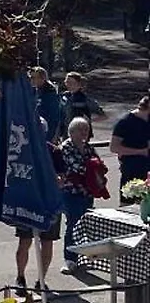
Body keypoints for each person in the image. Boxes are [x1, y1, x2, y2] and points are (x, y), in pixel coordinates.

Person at [13, 135, 68, 288]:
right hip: (27, 202)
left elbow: (62, 178)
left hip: (49, 203)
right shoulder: (22, 150)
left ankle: (41, 279)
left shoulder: (53, 151)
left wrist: (56, 180)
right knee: (25, 240)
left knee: (47, 241)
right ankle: (20, 277)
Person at [59, 116, 106, 274]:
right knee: (73, 224)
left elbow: (99, 165)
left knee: (85, 224)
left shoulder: (89, 148)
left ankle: (83, 258)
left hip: (87, 192)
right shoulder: (66, 147)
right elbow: (78, 167)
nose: (84, 133)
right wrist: (93, 169)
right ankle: (70, 259)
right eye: (81, 130)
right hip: (71, 192)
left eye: (86, 129)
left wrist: (97, 170)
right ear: (72, 131)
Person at [111, 95, 150, 193]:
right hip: (132, 169)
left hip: (148, 169)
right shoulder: (125, 122)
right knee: (130, 204)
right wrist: (140, 151)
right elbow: (114, 147)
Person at [31, 66, 65, 141]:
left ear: (42, 78)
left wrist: (54, 135)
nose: (31, 80)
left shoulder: (50, 93)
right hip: (37, 129)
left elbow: (55, 117)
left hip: (48, 131)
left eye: (33, 77)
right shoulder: (35, 91)